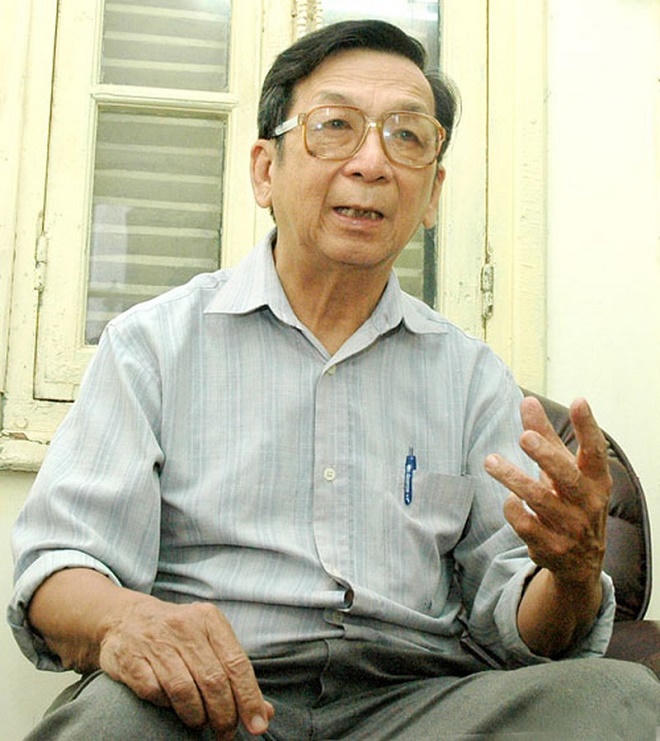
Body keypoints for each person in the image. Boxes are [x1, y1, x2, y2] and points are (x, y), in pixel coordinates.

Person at [8, 19, 659, 741]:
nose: (372, 163)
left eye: (407, 136)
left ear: (433, 193)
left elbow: (517, 625)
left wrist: (572, 575)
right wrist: (127, 621)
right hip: (213, 700)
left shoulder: (473, 378)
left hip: (417, 705)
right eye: (336, 127)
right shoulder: (151, 346)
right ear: (265, 169)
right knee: (106, 724)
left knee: (620, 699)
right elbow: (57, 570)